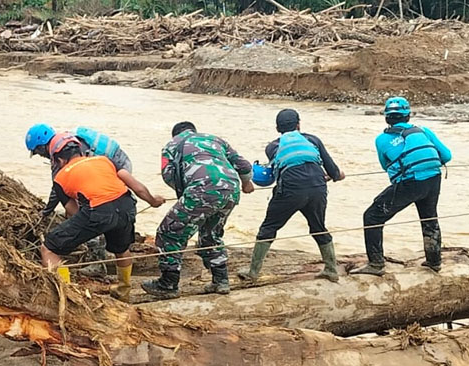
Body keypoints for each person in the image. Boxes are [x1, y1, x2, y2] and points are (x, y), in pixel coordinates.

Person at [40, 134, 165, 300]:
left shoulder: (60, 178)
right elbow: (136, 186)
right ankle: (123, 291)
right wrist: (153, 200)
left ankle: (66, 297)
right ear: (81, 151)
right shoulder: (104, 160)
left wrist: (90, 229)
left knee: (49, 248)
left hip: (98, 212)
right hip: (126, 206)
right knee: (122, 249)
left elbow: (73, 212)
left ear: (59, 160)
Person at [142, 121, 254, 299]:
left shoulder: (171, 145)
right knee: (211, 234)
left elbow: (168, 174)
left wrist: (185, 194)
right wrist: (247, 183)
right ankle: (221, 281)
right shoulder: (215, 139)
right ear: (194, 130)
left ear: (175, 134)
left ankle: (168, 284)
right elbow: (244, 165)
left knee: (169, 232)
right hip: (231, 190)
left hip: (201, 189)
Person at [238, 109, 345, 283]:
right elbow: (334, 172)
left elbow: (276, 172)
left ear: (277, 128)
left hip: (290, 190)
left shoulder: (272, 147)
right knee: (318, 227)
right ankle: (331, 270)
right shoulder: (313, 140)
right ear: (298, 125)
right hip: (317, 188)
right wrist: (337, 175)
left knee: (269, 228)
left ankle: (253, 272)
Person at [351, 96, 452, 276]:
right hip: (433, 177)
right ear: (408, 115)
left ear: (386, 117)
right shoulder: (423, 130)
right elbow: (446, 155)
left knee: (372, 217)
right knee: (429, 218)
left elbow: (385, 165)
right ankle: (434, 261)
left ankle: (376, 265)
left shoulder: (382, 139)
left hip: (410, 182)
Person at [26, 124, 135, 277]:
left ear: (41, 146)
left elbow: (59, 189)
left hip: (112, 173)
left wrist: (49, 213)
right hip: (118, 179)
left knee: (94, 214)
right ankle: (123, 287)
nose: (41, 156)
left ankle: (97, 263)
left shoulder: (60, 154)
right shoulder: (68, 142)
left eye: (37, 152)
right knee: (108, 214)